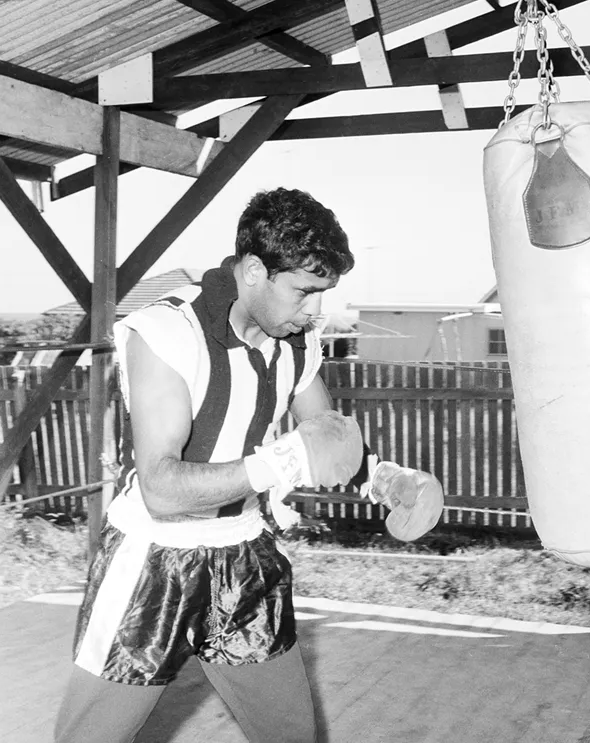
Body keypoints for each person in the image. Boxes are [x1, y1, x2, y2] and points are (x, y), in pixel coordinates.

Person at [54, 187, 443, 743]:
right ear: (254, 271)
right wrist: (282, 462)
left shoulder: (298, 345)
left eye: (323, 294)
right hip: (150, 564)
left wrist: (388, 480)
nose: (314, 312)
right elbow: (163, 488)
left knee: (292, 735)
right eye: (304, 292)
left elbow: (327, 443)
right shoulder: (167, 333)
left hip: (243, 557)